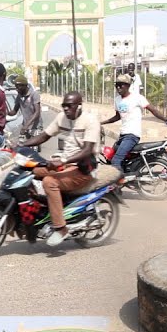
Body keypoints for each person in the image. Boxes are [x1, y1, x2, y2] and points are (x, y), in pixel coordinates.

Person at [18, 91, 105, 247]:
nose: (66, 109)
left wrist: (64, 160)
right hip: (65, 165)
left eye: (69, 106)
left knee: (49, 182)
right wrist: (20, 146)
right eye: (64, 105)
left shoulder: (90, 121)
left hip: (84, 168)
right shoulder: (62, 118)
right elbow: (44, 136)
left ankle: (61, 228)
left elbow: (87, 150)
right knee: (30, 171)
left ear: (79, 106)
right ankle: (36, 215)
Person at [102, 74, 167, 168]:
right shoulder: (117, 100)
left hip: (132, 135)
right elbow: (117, 117)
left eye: (121, 85)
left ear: (128, 86)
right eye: (116, 85)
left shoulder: (137, 98)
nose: (118, 87)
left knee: (116, 161)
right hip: (123, 135)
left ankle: (119, 182)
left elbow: (153, 110)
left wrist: (166, 119)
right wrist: (101, 123)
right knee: (114, 155)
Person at [13, 75, 43, 141]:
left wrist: (26, 125)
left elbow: (37, 112)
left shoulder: (34, 94)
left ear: (25, 85)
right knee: (24, 147)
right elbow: (14, 111)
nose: (17, 89)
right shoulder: (19, 96)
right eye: (16, 87)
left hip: (35, 127)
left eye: (19, 86)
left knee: (33, 145)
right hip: (26, 127)